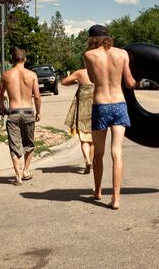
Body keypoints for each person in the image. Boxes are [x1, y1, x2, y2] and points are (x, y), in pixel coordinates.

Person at [83, 25, 138, 210]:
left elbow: (91, 79)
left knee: (98, 154)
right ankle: (115, 199)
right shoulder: (122, 54)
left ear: (91, 39)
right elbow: (130, 83)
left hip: (100, 106)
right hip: (119, 105)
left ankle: (98, 191)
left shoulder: (89, 56)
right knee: (117, 152)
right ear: (108, 37)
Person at [0, 47, 41, 186]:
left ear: (12, 60)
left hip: (14, 113)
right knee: (29, 143)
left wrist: (3, 109)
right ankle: (26, 171)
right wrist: (38, 112)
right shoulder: (32, 75)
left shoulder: (6, 75)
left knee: (14, 145)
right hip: (28, 112)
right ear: (25, 59)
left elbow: (0, 97)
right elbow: (37, 96)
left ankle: (18, 176)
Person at [62, 68, 94, 174]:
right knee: (93, 139)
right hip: (96, 107)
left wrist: (74, 81)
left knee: (84, 139)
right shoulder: (99, 70)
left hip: (82, 108)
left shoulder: (80, 73)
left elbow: (64, 81)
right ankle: (92, 162)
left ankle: (87, 161)